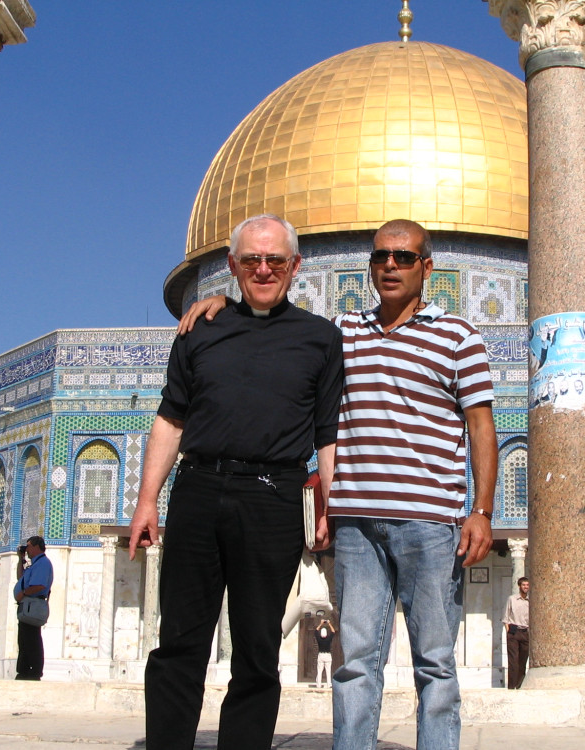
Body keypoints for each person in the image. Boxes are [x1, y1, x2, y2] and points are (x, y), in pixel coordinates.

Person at [179, 219, 498, 750]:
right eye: (380, 257)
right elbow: (276, 321)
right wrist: (220, 300)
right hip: (356, 526)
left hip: (431, 524)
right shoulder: (342, 333)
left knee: (436, 665)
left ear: (427, 267)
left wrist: (480, 510)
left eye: (402, 256)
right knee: (355, 663)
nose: (390, 266)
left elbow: (482, 427)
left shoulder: (459, 337)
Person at [129, 214, 343, 750]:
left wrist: (328, 507)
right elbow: (171, 418)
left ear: (296, 267)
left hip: (271, 499)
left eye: (275, 260)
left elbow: (327, 434)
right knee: (179, 641)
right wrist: (146, 500)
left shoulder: (320, 338)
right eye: (252, 260)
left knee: (256, 649)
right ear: (232, 266)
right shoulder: (200, 329)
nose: (263, 269)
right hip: (199, 491)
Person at [13, 536, 53, 680]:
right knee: (24, 638)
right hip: (27, 606)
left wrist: (23, 593)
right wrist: (21, 559)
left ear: (37, 546)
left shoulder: (43, 564)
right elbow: (21, 578)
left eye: (28, 546)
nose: (27, 549)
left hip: (33, 605)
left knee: (31, 638)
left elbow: (40, 586)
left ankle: (33, 671)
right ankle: (24, 670)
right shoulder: (35, 564)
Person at [502, 576, 530, 689]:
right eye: (524, 585)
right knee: (513, 661)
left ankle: (519, 686)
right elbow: (505, 617)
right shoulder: (512, 599)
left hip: (525, 631)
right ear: (519, 586)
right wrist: (509, 631)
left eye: (527, 585)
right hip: (514, 630)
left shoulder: (531, 600)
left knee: (523, 661)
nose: (526, 587)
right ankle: (511, 686)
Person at [314, 614, 336, 689]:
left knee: (319, 671)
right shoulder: (328, 639)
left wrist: (321, 623)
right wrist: (329, 623)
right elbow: (333, 631)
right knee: (328, 671)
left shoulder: (319, 639)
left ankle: (318, 685)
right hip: (327, 655)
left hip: (320, 655)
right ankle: (329, 684)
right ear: (326, 633)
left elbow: (316, 631)